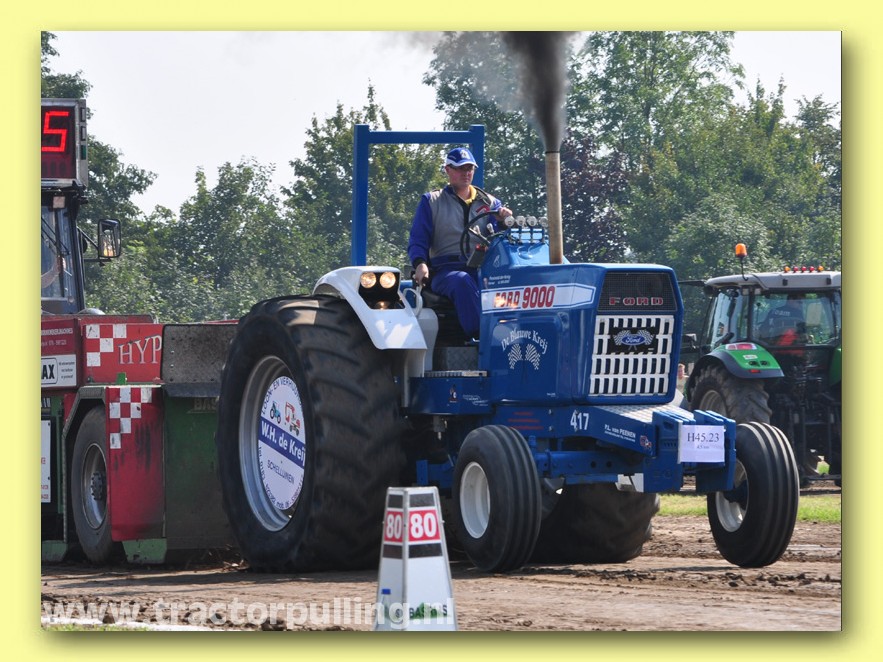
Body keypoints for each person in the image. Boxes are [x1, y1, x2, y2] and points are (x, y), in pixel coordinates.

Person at [408, 147, 512, 337]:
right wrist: (420, 263)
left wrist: (503, 222)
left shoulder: (490, 203)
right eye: (460, 168)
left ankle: (518, 333)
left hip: (482, 269)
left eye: (469, 168)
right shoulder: (431, 201)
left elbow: (499, 239)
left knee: (509, 281)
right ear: (447, 170)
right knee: (461, 281)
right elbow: (418, 239)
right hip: (445, 270)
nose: (466, 173)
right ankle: (483, 337)